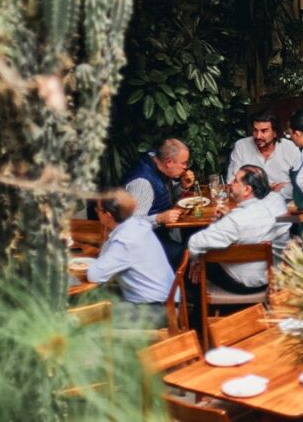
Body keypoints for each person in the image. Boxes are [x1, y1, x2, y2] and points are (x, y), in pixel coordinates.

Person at [187, 164, 279, 295]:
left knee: (187, 259)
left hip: (240, 284)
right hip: (267, 279)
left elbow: (195, 243)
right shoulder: (270, 209)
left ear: (247, 190)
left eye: (235, 180)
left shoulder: (235, 221)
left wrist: (196, 262)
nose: (230, 183)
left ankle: (200, 311)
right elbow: (248, 226)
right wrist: (229, 216)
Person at [87, 190, 175, 323]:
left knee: (90, 316)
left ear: (108, 214)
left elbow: (94, 275)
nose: (96, 212)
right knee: (97, 297)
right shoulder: (137, 224)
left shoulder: (124, 241)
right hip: (169, 301)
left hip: (155, 311)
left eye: (97, 209)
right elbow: (104, 261)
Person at [123, 138, 192, 265]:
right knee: (186, 256)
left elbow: (164, 197)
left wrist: (183, 186)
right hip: (143, 240)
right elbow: (132, 225)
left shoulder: (158, 162)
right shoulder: (143, 184)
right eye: (183, 163)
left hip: (160, 232)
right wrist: (159, 218)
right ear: (169, 162)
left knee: (192, 236)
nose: (186, 168)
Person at [225, 110, 301, 198]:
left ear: (275, 133)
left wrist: (251, 188)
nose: (258, 136)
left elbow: (300, 184)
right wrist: (268, 189)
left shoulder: (290, 148)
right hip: (250, 203)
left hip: (283, 202)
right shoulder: (241, 146)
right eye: (255, 130)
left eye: (264, 131)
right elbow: (232, 182)